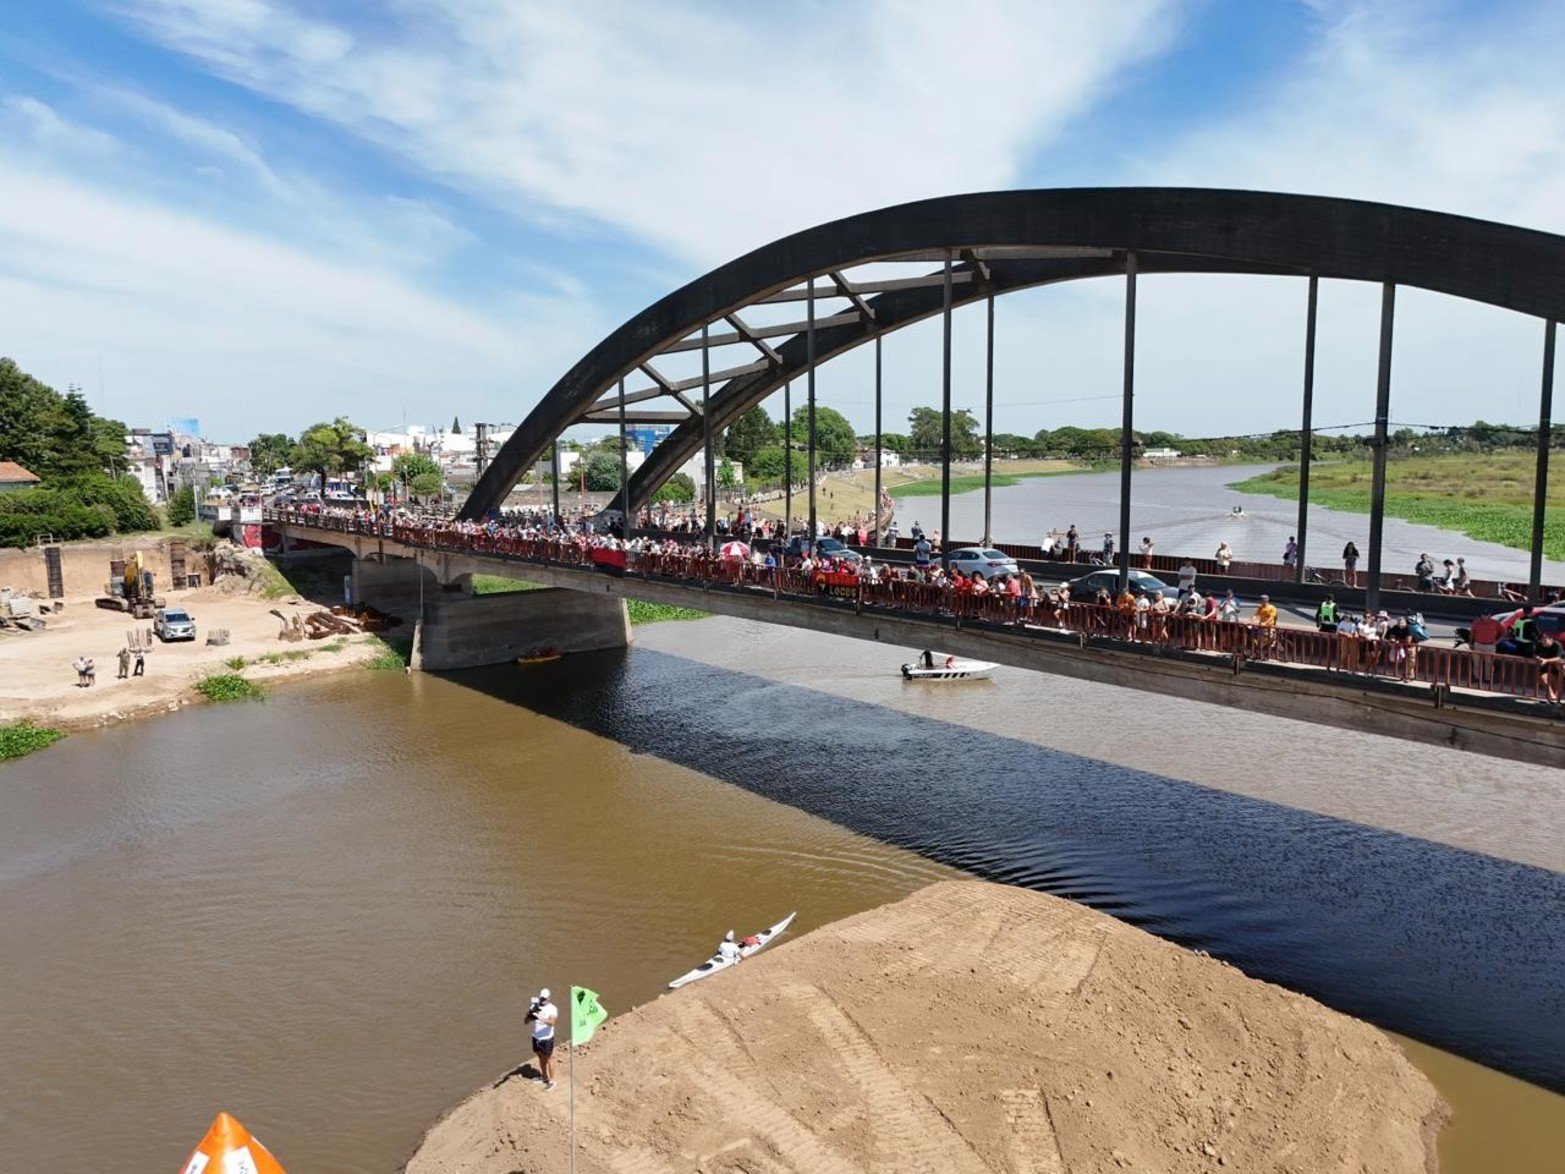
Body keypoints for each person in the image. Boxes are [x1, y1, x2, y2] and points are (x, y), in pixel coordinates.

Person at [529, 987, 559, 1091]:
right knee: (541, 1058)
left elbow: (552, 1023)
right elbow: (528, 1019)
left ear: (549, 998)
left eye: (545, 998)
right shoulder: (535, 1005)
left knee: (549, 1059)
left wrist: (539, 1017)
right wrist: (530, 1013)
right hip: (536, 1037)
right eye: (541, 998)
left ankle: (552, 1081)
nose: (543, 1000)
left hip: (546, 1039)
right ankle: (544, 1077)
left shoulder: (553, 1008)